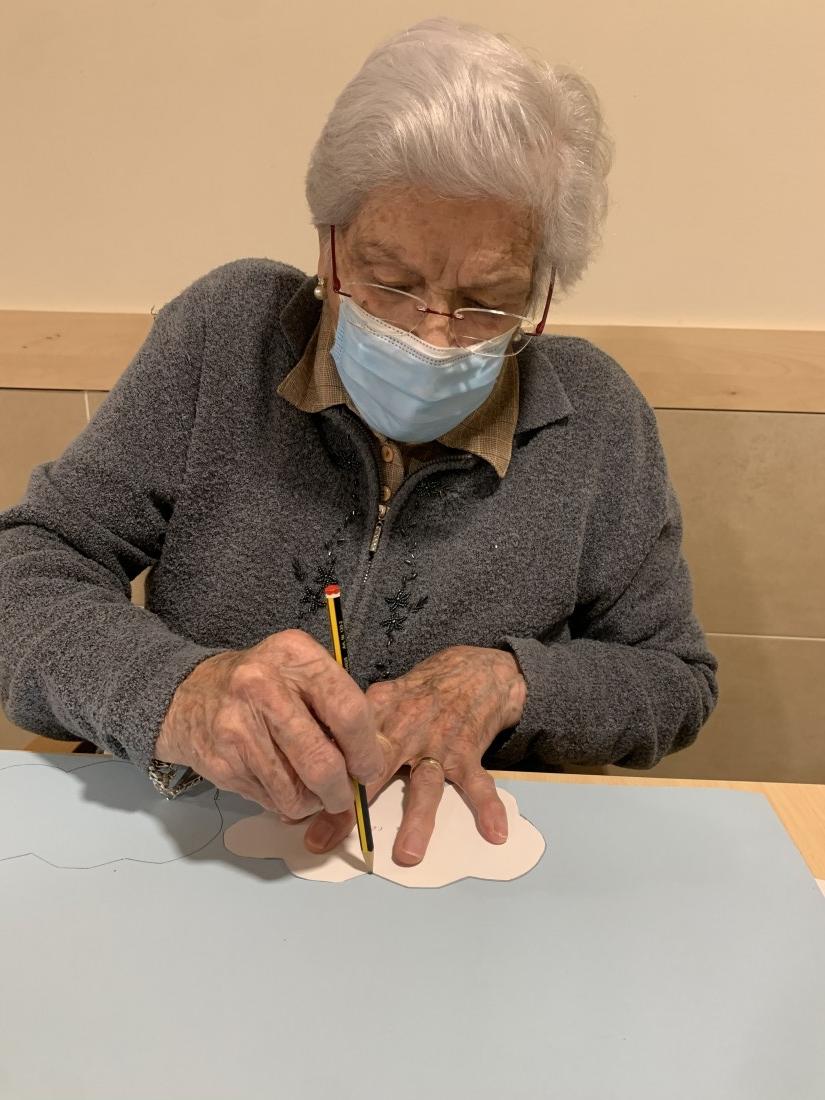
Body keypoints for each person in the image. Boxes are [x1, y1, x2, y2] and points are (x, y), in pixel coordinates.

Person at [0, 17, 717, 866]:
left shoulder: (595, 416)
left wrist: (512, 681)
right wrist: (178, 695)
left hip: (459, 861)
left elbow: (673, 679)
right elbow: (27, 566)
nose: (433, 333)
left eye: (487, 302)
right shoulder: (228, 334)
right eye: (391, 281)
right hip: (198, 842)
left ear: (541, 290)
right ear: (328, 243)